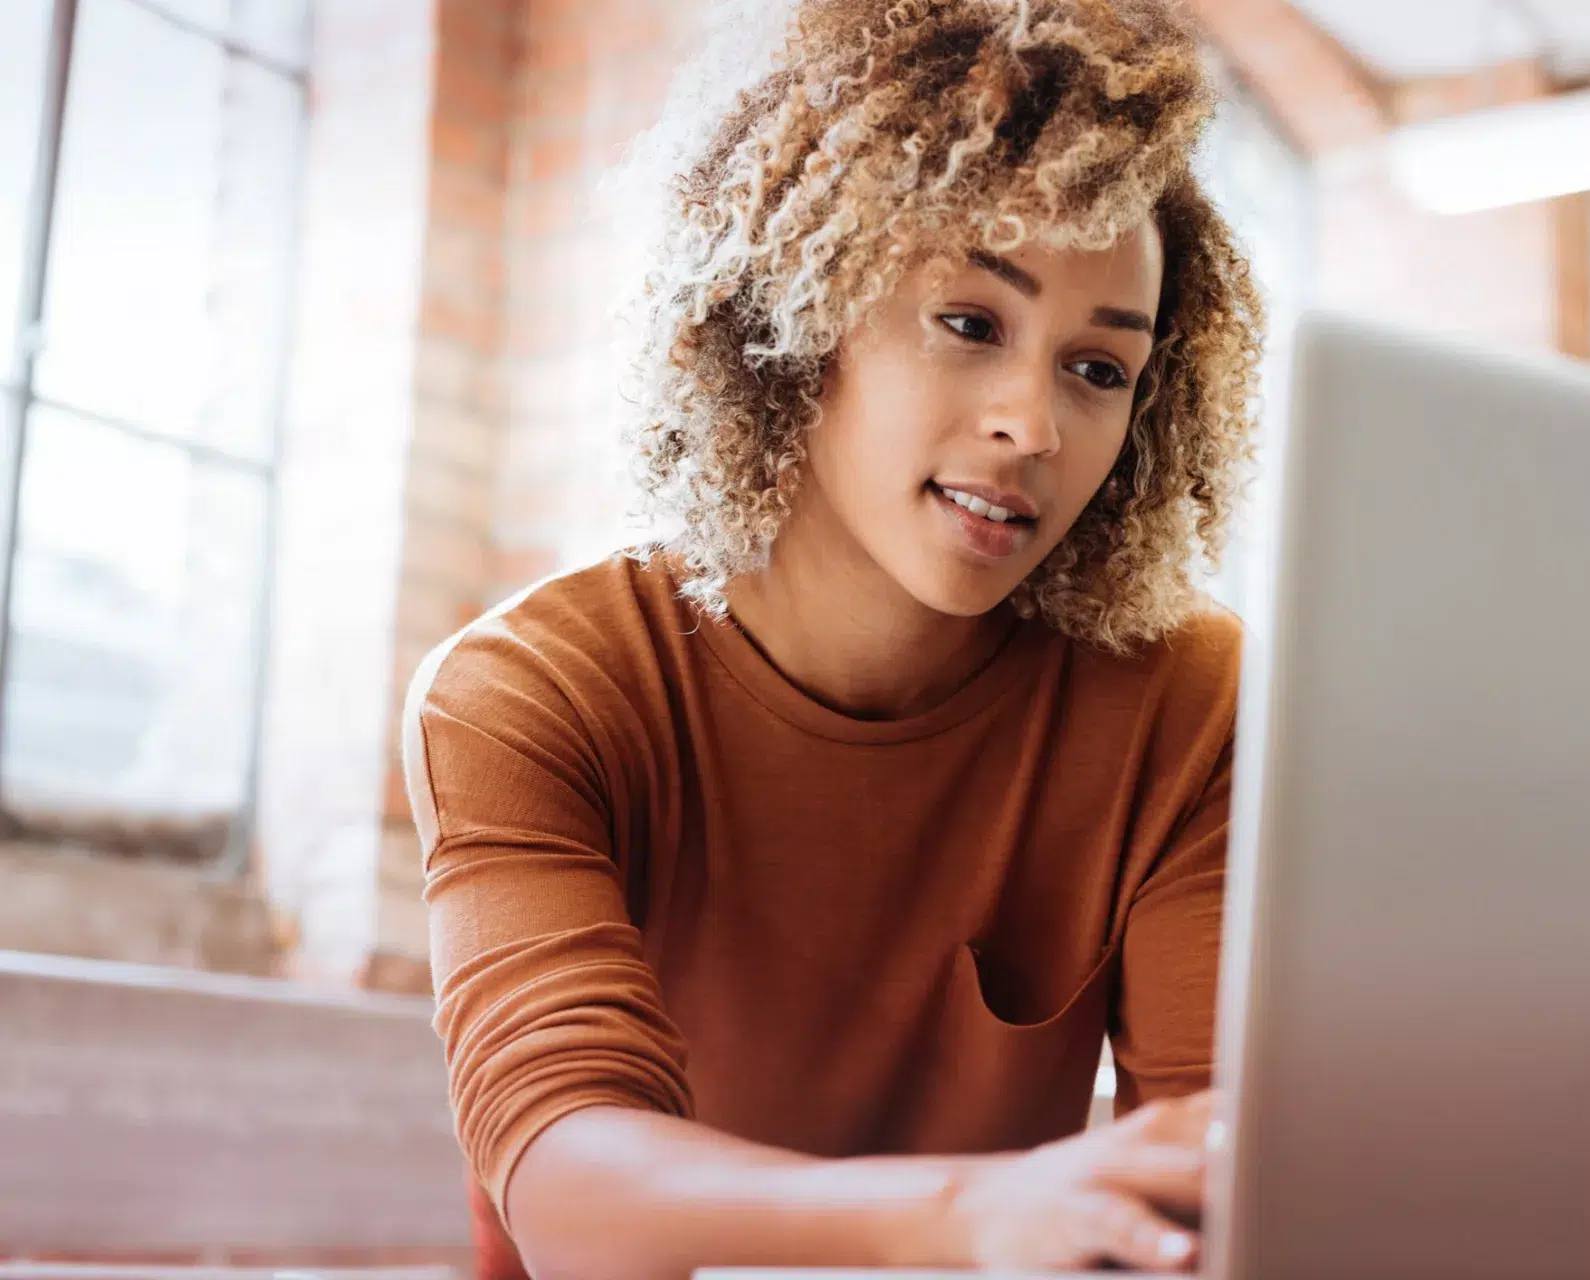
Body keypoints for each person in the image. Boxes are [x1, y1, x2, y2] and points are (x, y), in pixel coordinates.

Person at [401, 1, 1264, 1276]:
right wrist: (970, 1213)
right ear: (797, 313)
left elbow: (1216, 1177)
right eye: (971, 323)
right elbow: (571, 1181)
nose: (1034, 424)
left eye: (1099, 368)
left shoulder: (1187, 704)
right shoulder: (533, 691)